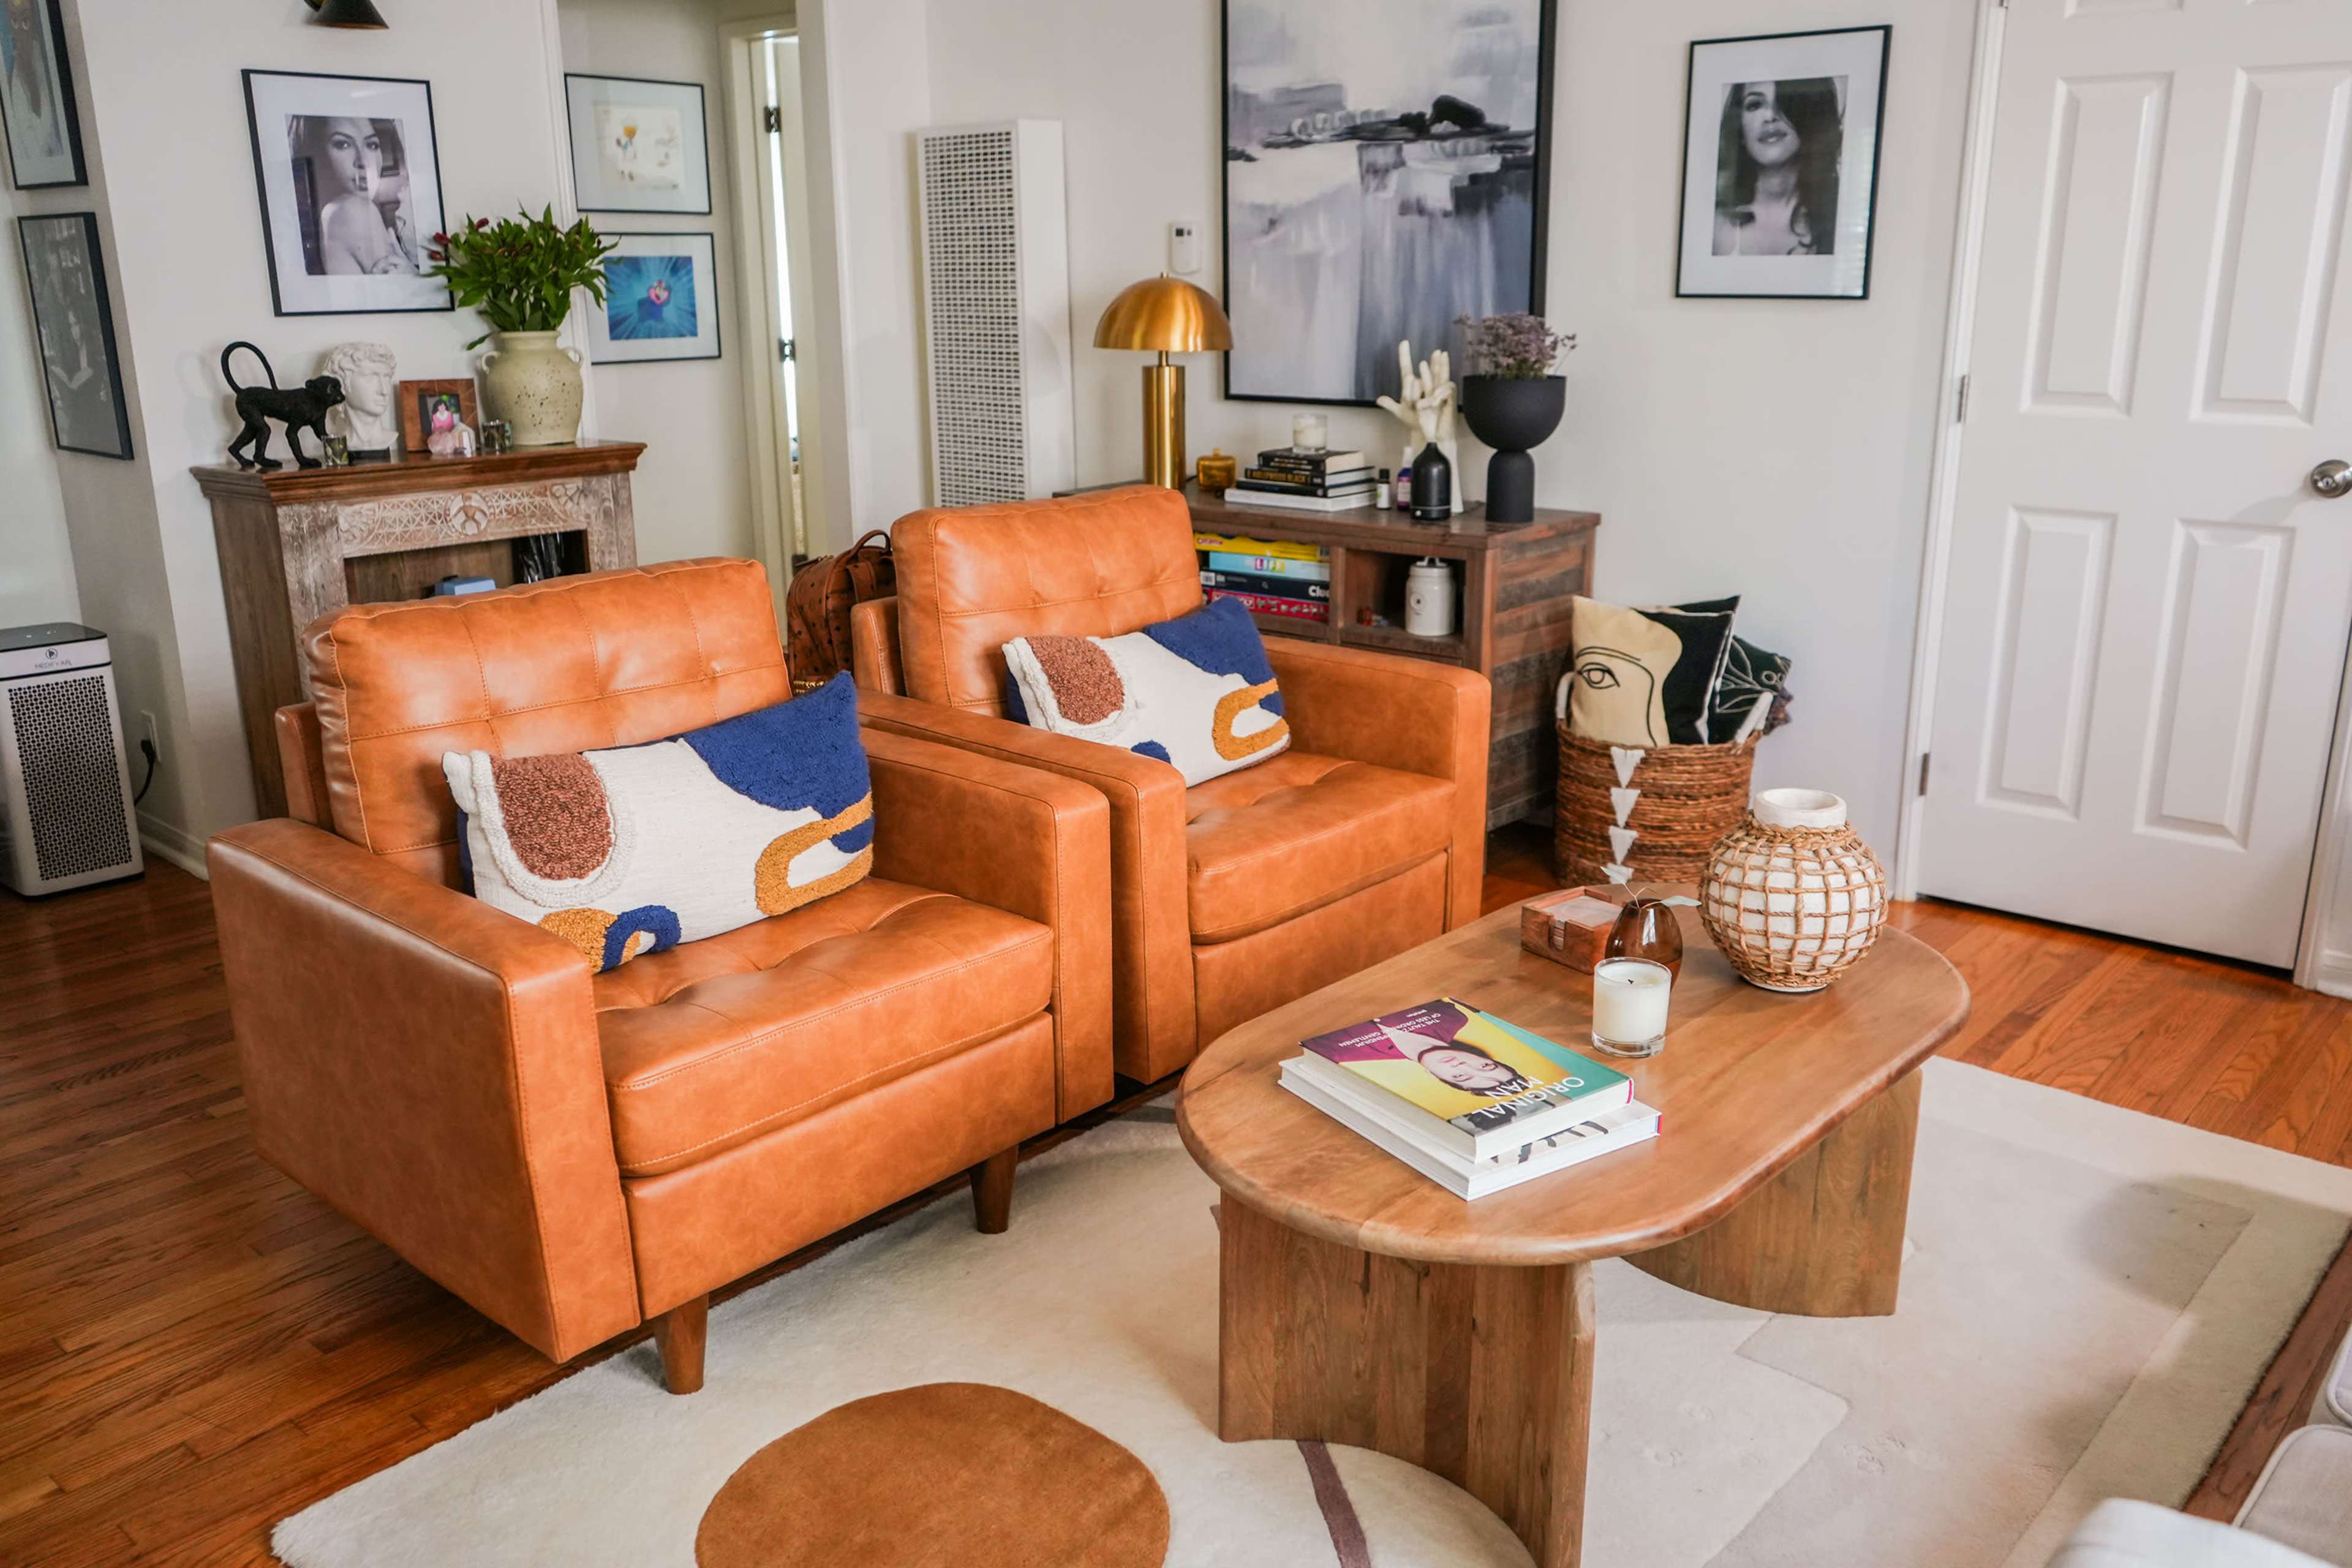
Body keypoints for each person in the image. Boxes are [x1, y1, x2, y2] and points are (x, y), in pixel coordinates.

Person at [1711, 77, 1843, 257]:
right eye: (1755, 105)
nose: (1770, 116)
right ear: (1740, 128)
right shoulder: (1712, 224)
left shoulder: (1840, 218)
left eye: (1785, 102)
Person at [288, 116, 417, 277]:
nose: (363, 162)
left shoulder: (326, 217)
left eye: (372, 145)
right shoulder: (353, 210)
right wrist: (415, 279)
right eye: (343, 145)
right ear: (317, 151)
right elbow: (411, 298)